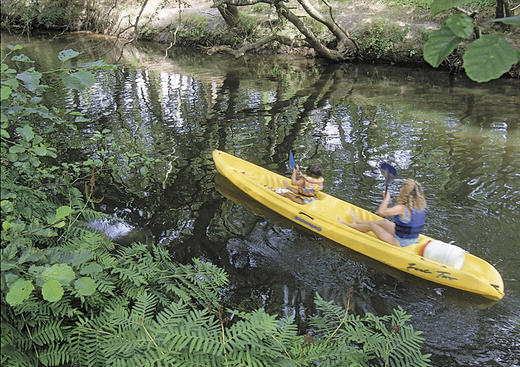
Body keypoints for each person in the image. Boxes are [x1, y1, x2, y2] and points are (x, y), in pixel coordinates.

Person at [338, 179, 426, 247]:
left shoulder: (402, 208)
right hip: (412, 240)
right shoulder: (420, 207)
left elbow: (381, 212)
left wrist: (386, 199)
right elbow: (399, 213)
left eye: (402, 188)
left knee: (372, 225)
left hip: (400, 243)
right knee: (384, 222)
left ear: (405, 193)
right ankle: (358, 221)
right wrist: (386, 201)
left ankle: (347, 225)